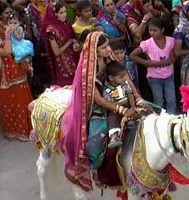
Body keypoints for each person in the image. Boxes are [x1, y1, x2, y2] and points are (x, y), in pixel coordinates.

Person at [60, 32, 144, 191]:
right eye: (104, 47)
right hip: (98, 106)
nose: (108, 49)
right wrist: (121, 109)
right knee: (96, 142)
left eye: (108, 46)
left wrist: (138, 98)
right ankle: (98, 172)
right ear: (94, 50)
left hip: (118, 97)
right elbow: (97, 99)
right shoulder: (88, 70)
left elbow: (125, 78)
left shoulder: (110, 60)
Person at [0, 23, 33, 141]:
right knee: (11, 103)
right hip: (4, 79)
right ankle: (15, 131)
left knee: (23, 100)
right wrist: (7, 35)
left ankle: (29, 129)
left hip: (17, 72)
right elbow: (7, 51)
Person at [130, 18, 177, 114]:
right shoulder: (147, 44)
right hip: (154, 77)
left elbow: (173, 58)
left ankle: (172, 119)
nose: (152, 33)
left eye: (155, 30)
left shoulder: (171, 41)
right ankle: (159, 121)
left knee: (171, 99)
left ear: (162, 30)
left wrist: (159, 63)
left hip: (169, 76)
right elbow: (132, 55)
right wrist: (146, 63)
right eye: (150, 30)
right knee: (158, 101)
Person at [41, 1, 79, 87]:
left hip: (72, 59)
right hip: (62, 65)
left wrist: (74, 43)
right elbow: (56, 52)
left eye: (65, 12)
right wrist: (69, 42)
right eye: (61, 13)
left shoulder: (65, 23)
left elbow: (72, 37)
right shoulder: (51, 31)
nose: (64, 14)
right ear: (54, 14)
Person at [103, 61, 136, 148]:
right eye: (121, 77)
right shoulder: (107, 89)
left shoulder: (125, 83)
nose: (125, 78)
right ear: (111, 78)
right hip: (116, 109)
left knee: (141, 111)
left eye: (125, 75)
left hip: (128, 106)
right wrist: (120, 110)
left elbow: (130, 94)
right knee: (112, 118)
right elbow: (109, 104)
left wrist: (132, 107)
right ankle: (114, 137)